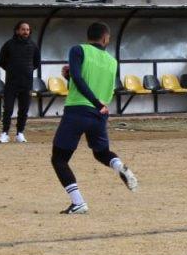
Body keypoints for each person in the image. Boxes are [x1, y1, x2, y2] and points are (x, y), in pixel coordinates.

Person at [52, 21, 138, 214]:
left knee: (59, 159)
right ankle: (119, 167)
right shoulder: (112, 61)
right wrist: (99, 104)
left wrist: (72, 78)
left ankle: (78, 202)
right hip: (100, 114)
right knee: (101, 153)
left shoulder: (78, 50)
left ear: (88, 36)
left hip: (77, 111)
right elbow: (101, 86)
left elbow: (79, 77)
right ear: (106, 38)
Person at [0, 20, 41, 144]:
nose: (26, 32)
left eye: (27, 29)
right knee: (8, 109)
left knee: (24, 109)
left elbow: (36, 63)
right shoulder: (9, 44)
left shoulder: (33, 46)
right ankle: (5, 133)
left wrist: (26, 70)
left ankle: (20, 133)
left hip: (27, 83)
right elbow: (1, 61)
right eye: (23, 29)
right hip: (11, 82)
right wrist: (12, 70)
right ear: (17, 31)